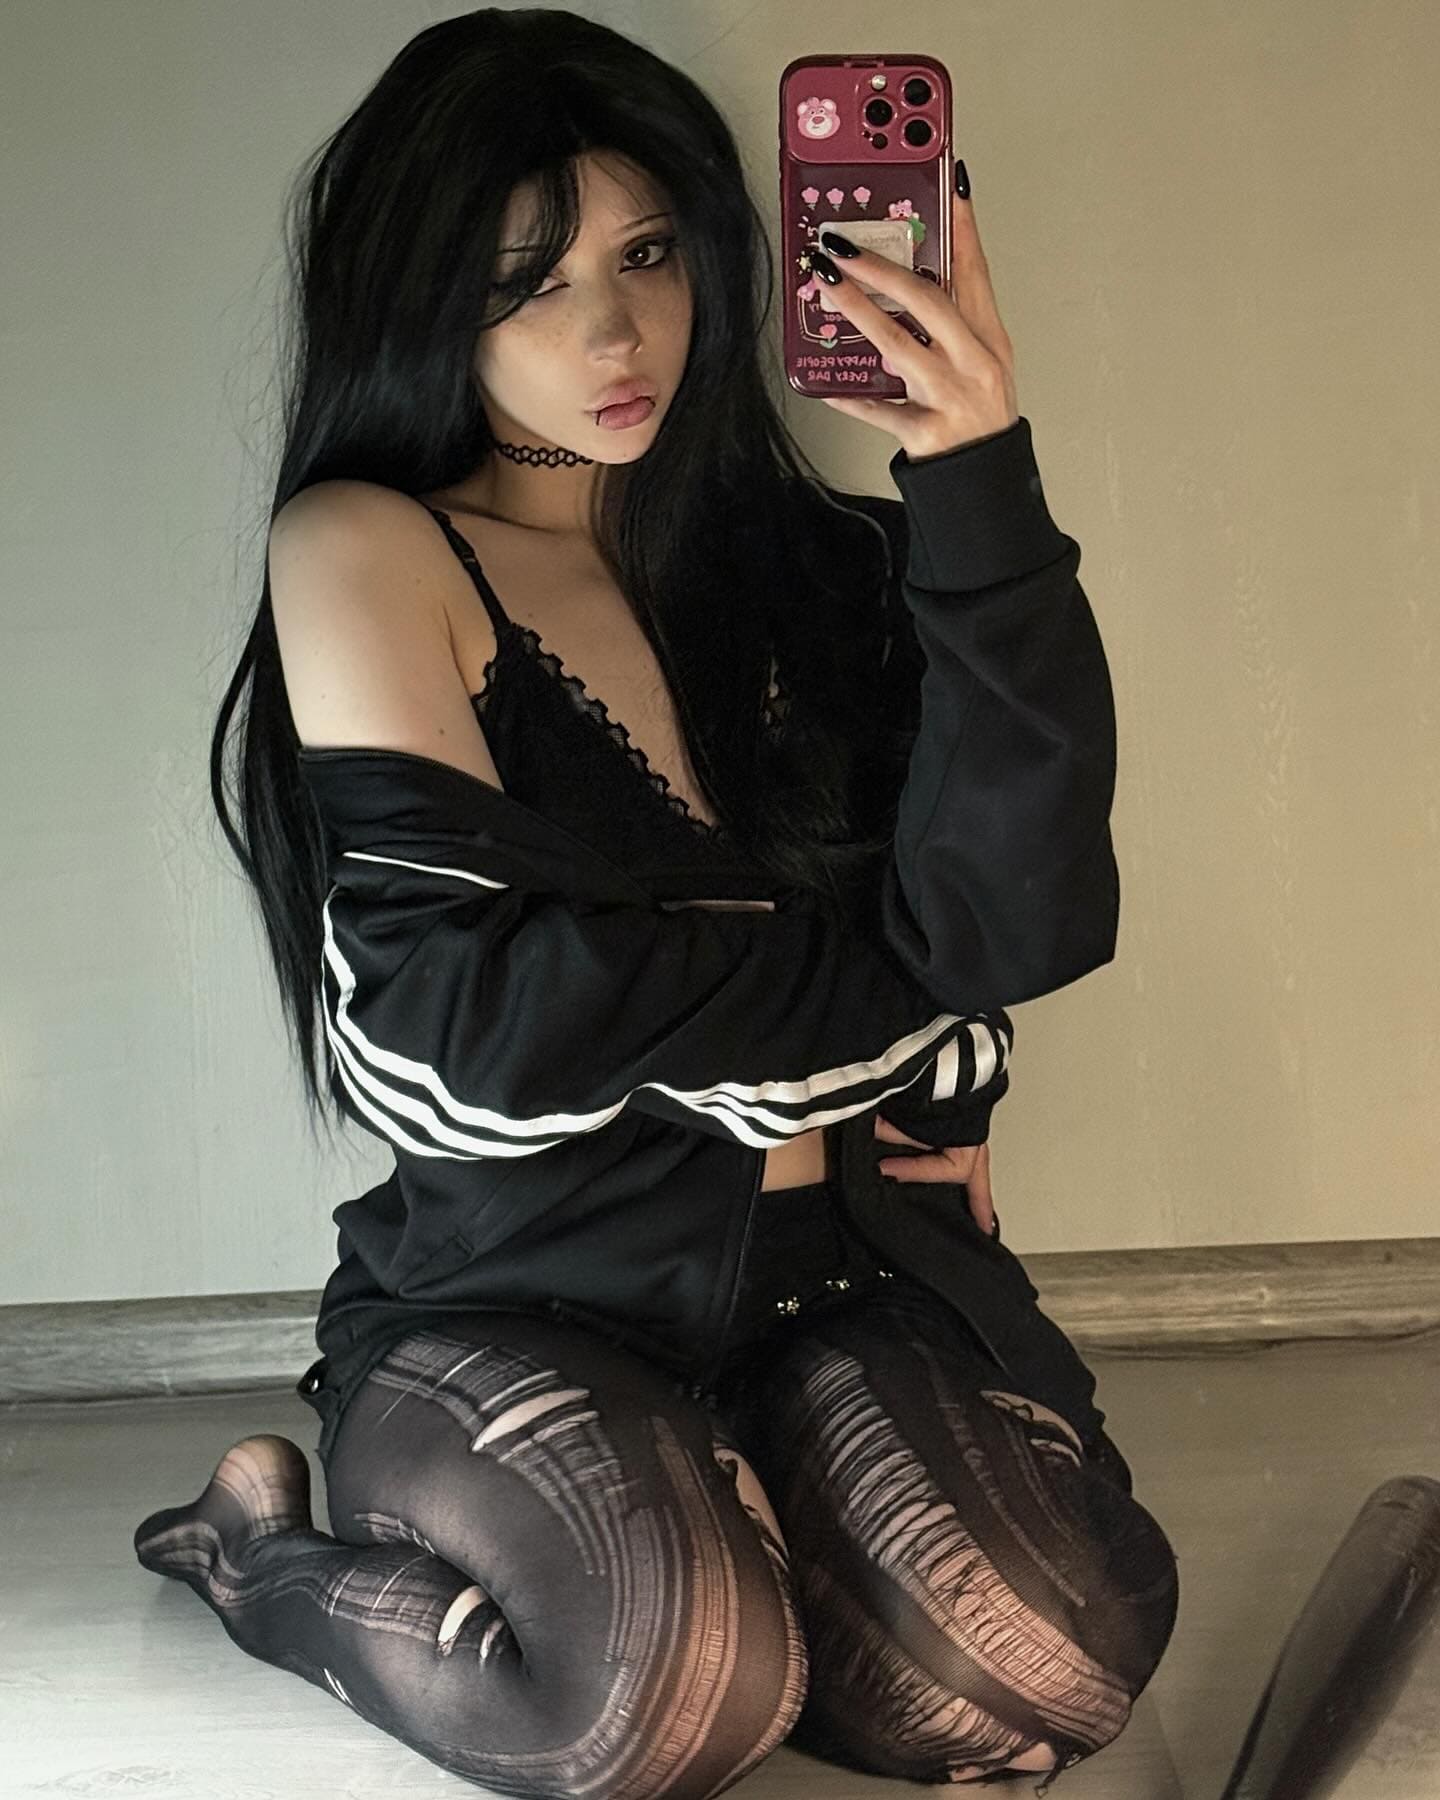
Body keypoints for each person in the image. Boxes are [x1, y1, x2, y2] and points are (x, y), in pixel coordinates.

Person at [133, 9, 1179, 1794]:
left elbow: (1021, 923)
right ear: (420, 306)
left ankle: (738, 1514)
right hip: (523, 1299)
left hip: (840, 1281)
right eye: (525, 285)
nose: (615, 336)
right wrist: (900, 1016)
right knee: (651, 1703)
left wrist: (975, 474)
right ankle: (264, 1558)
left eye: (647, 255)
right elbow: (457, 1047)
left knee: (1043, 1670)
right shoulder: (372, 548)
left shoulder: (835, 560)